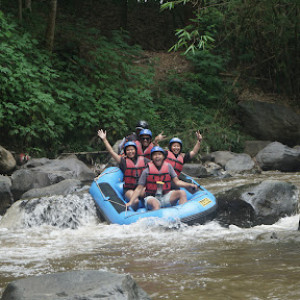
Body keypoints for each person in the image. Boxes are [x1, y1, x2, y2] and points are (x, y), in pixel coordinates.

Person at [126, 146, 198, 211]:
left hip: (166, 195)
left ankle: (184, 213)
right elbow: (139, 188)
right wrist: (131, 202)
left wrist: (189, 185)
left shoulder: (168, 167)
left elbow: (177, 182)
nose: (157, 156)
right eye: (155, 155)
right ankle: (158, 222)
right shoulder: (146, 171)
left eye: (159, 154)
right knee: (155, 204)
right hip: (151, 197)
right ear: (152, 158)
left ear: (163, 157)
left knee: (182, 193)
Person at [98, 129, 150, 204]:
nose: (130, 152)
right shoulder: (123, 161)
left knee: (149, 193)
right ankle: (131, 213)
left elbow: (155, 164)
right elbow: (112, 152)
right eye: (128, 150)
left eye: (132, 150)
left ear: (135, 150)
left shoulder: (143, 160)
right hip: (129, 189)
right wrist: (104, 139)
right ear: (125, 152)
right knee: (135, 201)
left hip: (141, 188)